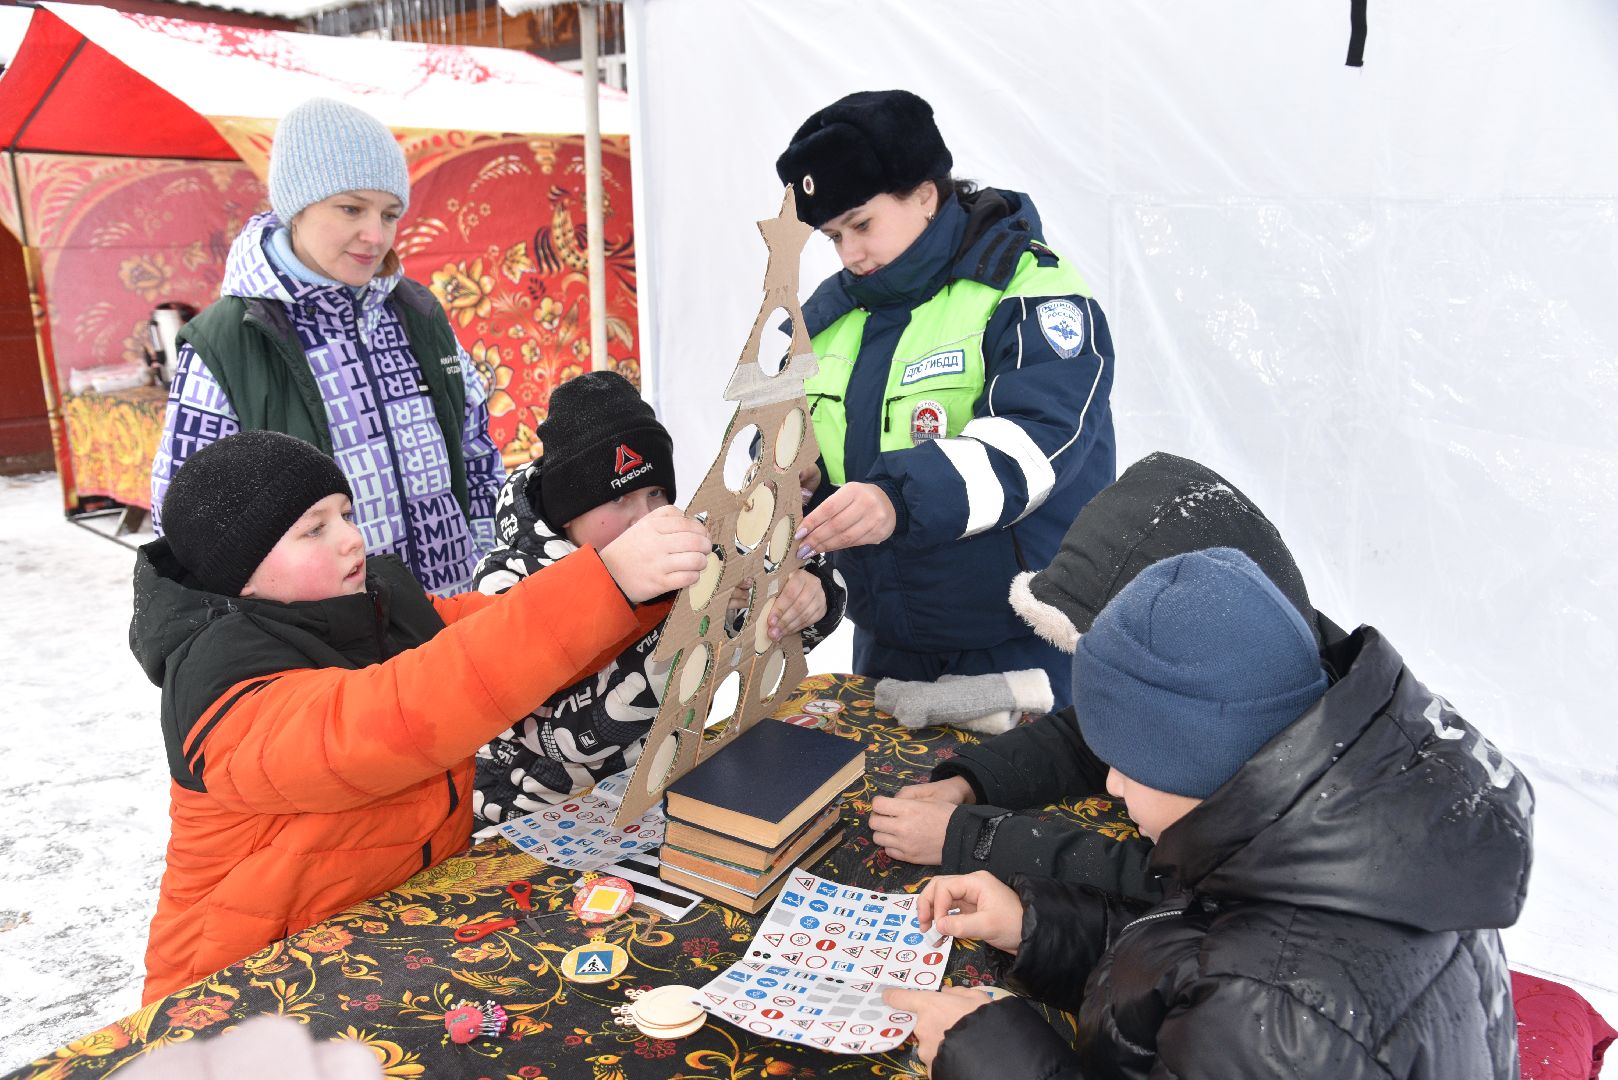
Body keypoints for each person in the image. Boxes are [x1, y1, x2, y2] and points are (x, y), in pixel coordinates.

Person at [884, 547, 1532, 1079]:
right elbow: (1201, 958)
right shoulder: (1329, 831)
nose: (1110, 784)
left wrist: (994, 1057)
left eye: (1127, 762)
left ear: (1193, 758)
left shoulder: (1280, 1013)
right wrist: (1040, 925)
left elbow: (1244, 989)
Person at [129, 430, 709, 1002]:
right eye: (315, 529)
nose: (352, 539)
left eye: (346, 514)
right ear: (243, 576)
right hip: (231, 990)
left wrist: (642, 595)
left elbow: (494, 630)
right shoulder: (221, 687)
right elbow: (393, 719)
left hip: (364, 949)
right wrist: (605, 580)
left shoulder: (367, 611)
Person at [776, 89, 1115, 708]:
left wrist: (894, 498)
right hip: (888, 645)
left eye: (862, 225)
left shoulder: (1031, 289)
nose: (850, 253)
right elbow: (788, 458)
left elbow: (1036, 439)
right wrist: (798, 496)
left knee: (1015, 804)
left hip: (1023, 642)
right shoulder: (823, 321)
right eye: (832, 236)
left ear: (925, 196)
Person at [869, 452, 1329, 901]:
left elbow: (1180, 887)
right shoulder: (1241, 673)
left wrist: (975, 841)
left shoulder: (1305, 809)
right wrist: (974, 781)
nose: (1114, 780)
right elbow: (1097, 729)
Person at [150, 97, 504, 597]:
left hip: (452, 614)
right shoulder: (231, 341)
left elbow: (476, 453)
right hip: (328, 640)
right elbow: (184, 518)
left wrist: (487, 564)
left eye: (390, 213)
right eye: (351, 208)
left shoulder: (417, 313)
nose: (375, 235)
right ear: (296, 207)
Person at [467, 371, 846, 823]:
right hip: (524, 818)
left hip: (643, 800)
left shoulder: (677, 550)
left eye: (655, 494)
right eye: (619, 500)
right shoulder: (506, 582)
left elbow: (768, 588)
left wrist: (809, 598)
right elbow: (562, 735)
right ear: (568, 513)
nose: (644, 518)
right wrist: (690, 620)